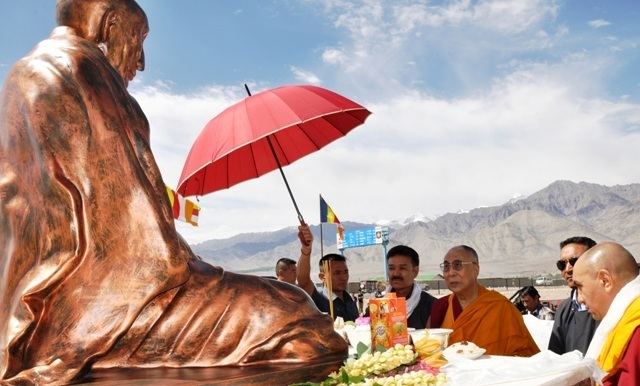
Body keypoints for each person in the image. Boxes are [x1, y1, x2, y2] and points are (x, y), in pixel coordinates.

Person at [0, 1, 346, 383]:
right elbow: (132, 233)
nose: (142, 62)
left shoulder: (34, 73)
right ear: (111, 25)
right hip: (102, 308)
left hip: (71, 306)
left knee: (286, 301)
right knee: (298, 322)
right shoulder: (75, 69)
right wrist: (195, 267)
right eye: (140, 39)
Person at [428, 245, 539, 356]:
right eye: (446, 267)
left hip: (493, 372)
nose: (450, 273)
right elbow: (427, 348)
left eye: (457, 265)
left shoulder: (500, 306)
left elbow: (525, 352)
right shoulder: (441, 306)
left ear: (476, 269)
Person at [573, 242, 640, 385]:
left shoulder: (636, 332)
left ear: (605, 280)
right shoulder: (625, 322)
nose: (579, 299)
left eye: (580, 286)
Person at [296, 225, 359, 321]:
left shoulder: (349, 299)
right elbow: (303, 280)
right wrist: (306, 249)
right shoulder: (317, 298)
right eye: (337, 273)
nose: (343, 277)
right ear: (322, 277)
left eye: (345, 272)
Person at [548, 236, 598, 355]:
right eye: (562, 264)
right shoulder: (564, 308)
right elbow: (555, 357)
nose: (568, 269)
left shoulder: (612, 305)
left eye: (574, 261)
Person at [385, 245, 436, 329]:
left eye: (402, 268)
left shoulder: (432, 306)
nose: (396, 273)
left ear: (415, 271)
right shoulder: (378, 306)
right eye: (391, 268)